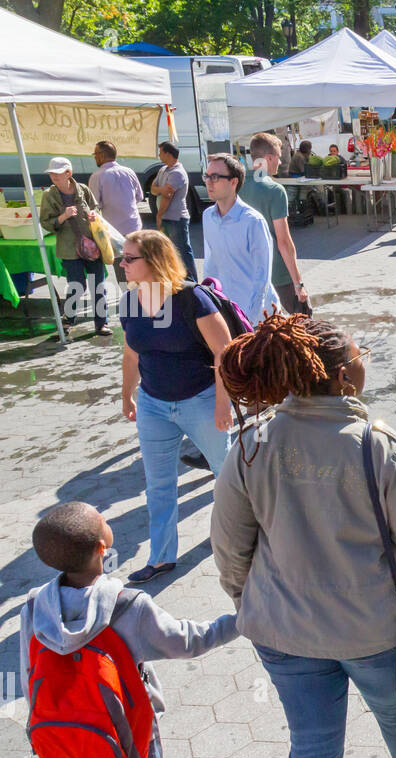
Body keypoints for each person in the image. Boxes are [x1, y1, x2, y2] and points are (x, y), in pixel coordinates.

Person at [210, 314, 396, 758]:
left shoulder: (252, 441)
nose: (366, 358)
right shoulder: (377, 444)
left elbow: (229, 548)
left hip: (282, 632)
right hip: (371, 628)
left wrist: (252, 601)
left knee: (313, 748)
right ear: (345, 376)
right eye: (361, 353)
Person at [20, 501, 239, 758]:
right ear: (102, 548)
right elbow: (188, 642)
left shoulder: (32, 607)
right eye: (103, 520)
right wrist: (242, 619)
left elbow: (29, 673)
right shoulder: (128, 607)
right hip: (130, 726)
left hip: (76, 725)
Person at [119, 229, 233, 583]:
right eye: (121, 258)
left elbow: (224, 353)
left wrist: (221, 404)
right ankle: (161, 557)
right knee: (158, 484)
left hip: (200, 400)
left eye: (128, 259)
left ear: (153, 261)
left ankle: (239, 541)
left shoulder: (191, 299)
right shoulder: (129, 302)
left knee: (226, 476)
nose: (121, 265)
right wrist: (127, 393)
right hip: (154, 404)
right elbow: (131, 352)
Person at [241, 132, 311, 318]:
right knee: (304, 325)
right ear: (269, 158)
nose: (280, 163)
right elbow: (284, 242)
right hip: (278, 273)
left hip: (248, 271)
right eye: (278, 157)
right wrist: (298, 284)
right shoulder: (275, 190)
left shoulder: (236, 185)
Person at [201, 153, 277, 326]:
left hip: (258, 319)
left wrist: (251, 317)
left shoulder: (253, 221)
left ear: (234, 182)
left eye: (215, 177)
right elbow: (210, 266)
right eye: (207, 176)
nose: (208, 182)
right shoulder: (208, 216)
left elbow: (262, 276)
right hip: (227, 312)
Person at [40, 156, 109, 335]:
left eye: (57, 174)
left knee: (98, 285)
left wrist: (94, 215)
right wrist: (63, 216)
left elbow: (95, 208)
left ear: (68, 173)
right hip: (69, 248)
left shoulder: (83, 189)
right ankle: (68, 320)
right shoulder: (49, 195)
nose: (54, 177)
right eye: (52, 174)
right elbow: (46, 223)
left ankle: (102, 323)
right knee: (77, 284)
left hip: (92, 245)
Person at [151, 141, 196, 281]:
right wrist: (160, 189)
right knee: (170, 251)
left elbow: (167, 196)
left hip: (176, 218)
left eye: (161, 152)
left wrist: (159, 215)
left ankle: (192, 282)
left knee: (182, 251)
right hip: (167, 217)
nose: (159, 155)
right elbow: (153, 189)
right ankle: (177, 279)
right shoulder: (163, 170)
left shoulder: (177, 173)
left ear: (168, 154)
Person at [88, 140, 143, 245]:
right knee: (137, 259)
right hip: (134, 226)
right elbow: (139, 196)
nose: (94, 157)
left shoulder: (97, 176)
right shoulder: (129, 171)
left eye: (95, 154)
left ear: (101, 156)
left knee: (121, 261)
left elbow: (94, 206)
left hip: (114, 231)